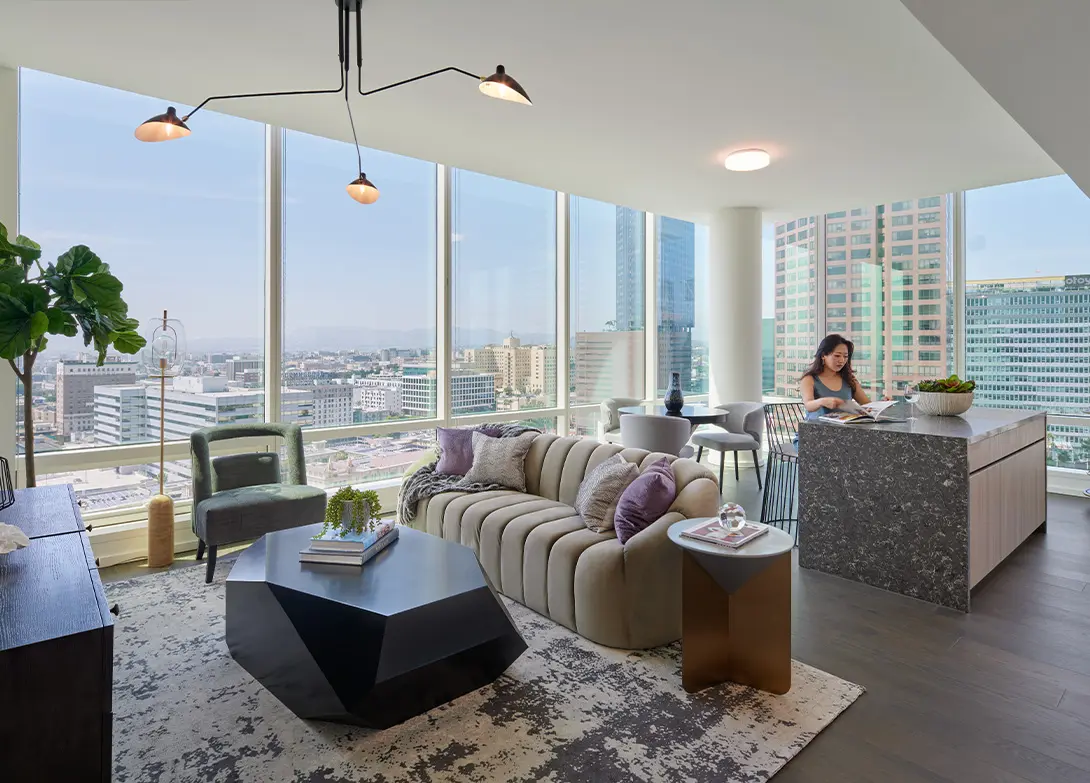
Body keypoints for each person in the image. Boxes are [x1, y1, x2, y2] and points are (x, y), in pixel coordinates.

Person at [800, 333, 874, 423]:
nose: (842, 360)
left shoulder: (849, 379)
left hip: (843, 428)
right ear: (823, 355)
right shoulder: (809, 379)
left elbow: (867, 404)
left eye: (845, 356)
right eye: (837, 356)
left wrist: (882, 404)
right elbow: (808, 405)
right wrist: (822, 401)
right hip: (815, 429)